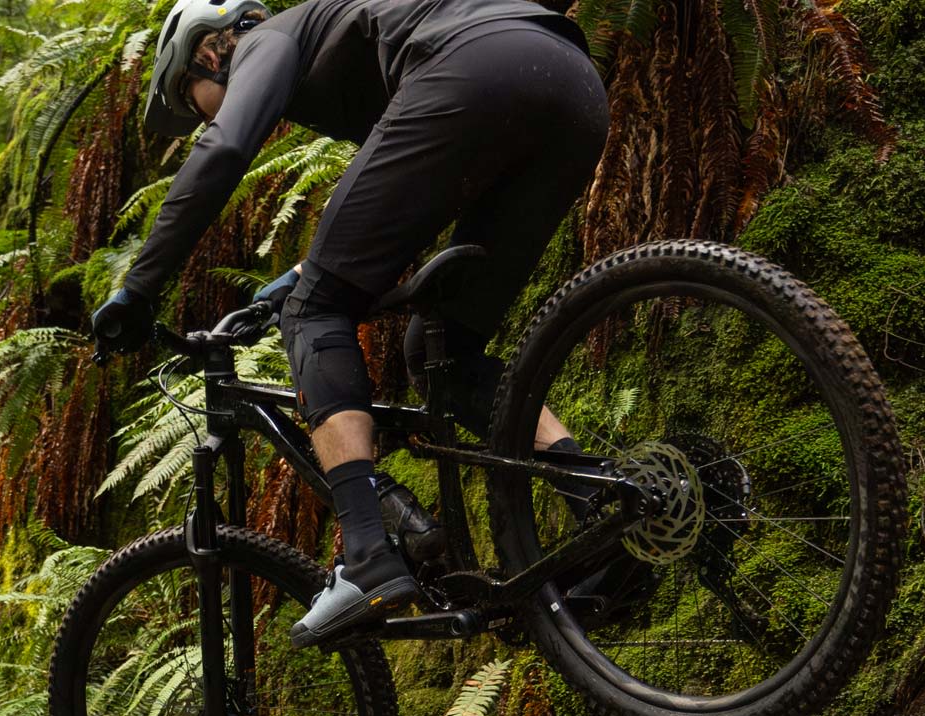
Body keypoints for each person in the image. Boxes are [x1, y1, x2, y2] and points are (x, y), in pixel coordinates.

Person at [92, 0, 611, 646]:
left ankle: (366, 554)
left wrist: (138, 289)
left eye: (190, 99)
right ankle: (603, 507)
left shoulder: (264, 42)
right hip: (572, 82)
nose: (202, 116)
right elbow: (403, 196)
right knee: (442, 355)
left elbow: (224, 149)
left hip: (475, 67)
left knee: (316, 311)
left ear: (210, 51)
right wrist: (296, 278)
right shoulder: (340, 53)